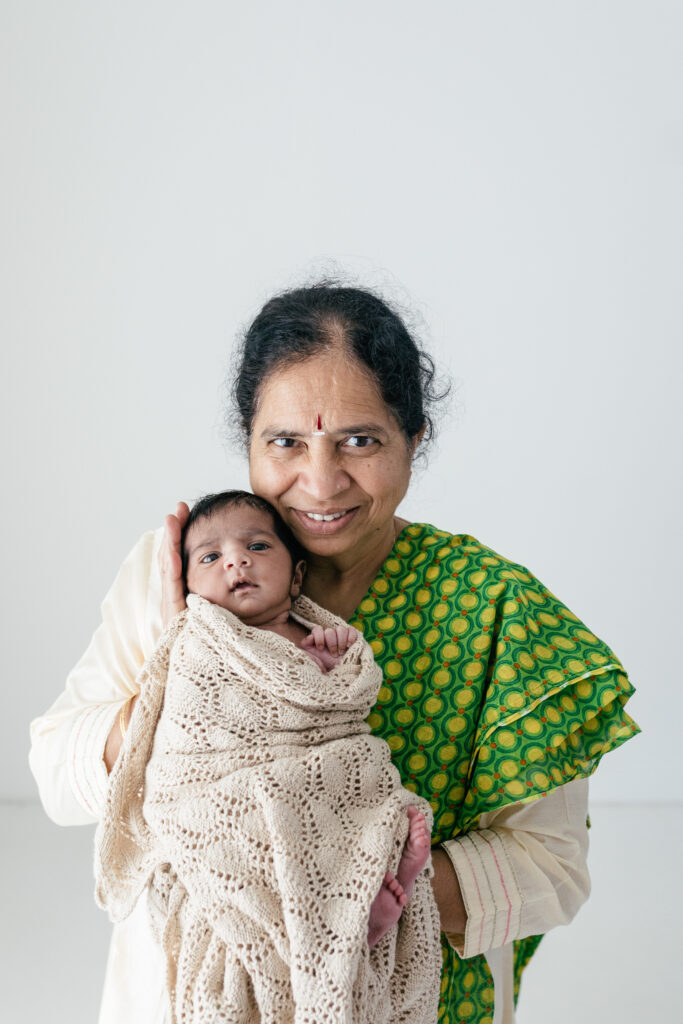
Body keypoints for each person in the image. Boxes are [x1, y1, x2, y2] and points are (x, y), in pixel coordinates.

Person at [29, 281, 641, 1024]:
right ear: (247, 441)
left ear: (413, 439)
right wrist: (179, 676)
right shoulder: (178, 576)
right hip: (188, 992)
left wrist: (346, 902)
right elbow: (56, 776)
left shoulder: (494, 612)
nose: (319, 482)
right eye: (285, 442)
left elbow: (552, 867)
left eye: (359, 440)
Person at [95, 487, 441, 1022]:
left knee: (364, 806)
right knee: (255, 831)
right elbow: (181, 725)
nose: (236, 560)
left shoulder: (308, 632)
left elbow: (344, 702)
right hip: (214, 785)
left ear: (296, 576)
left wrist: (329, 666)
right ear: (188, 585)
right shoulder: (196, 639)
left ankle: (365, 900)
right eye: (210, 557)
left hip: (316, 763)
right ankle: (349, 921)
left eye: (257, 547)